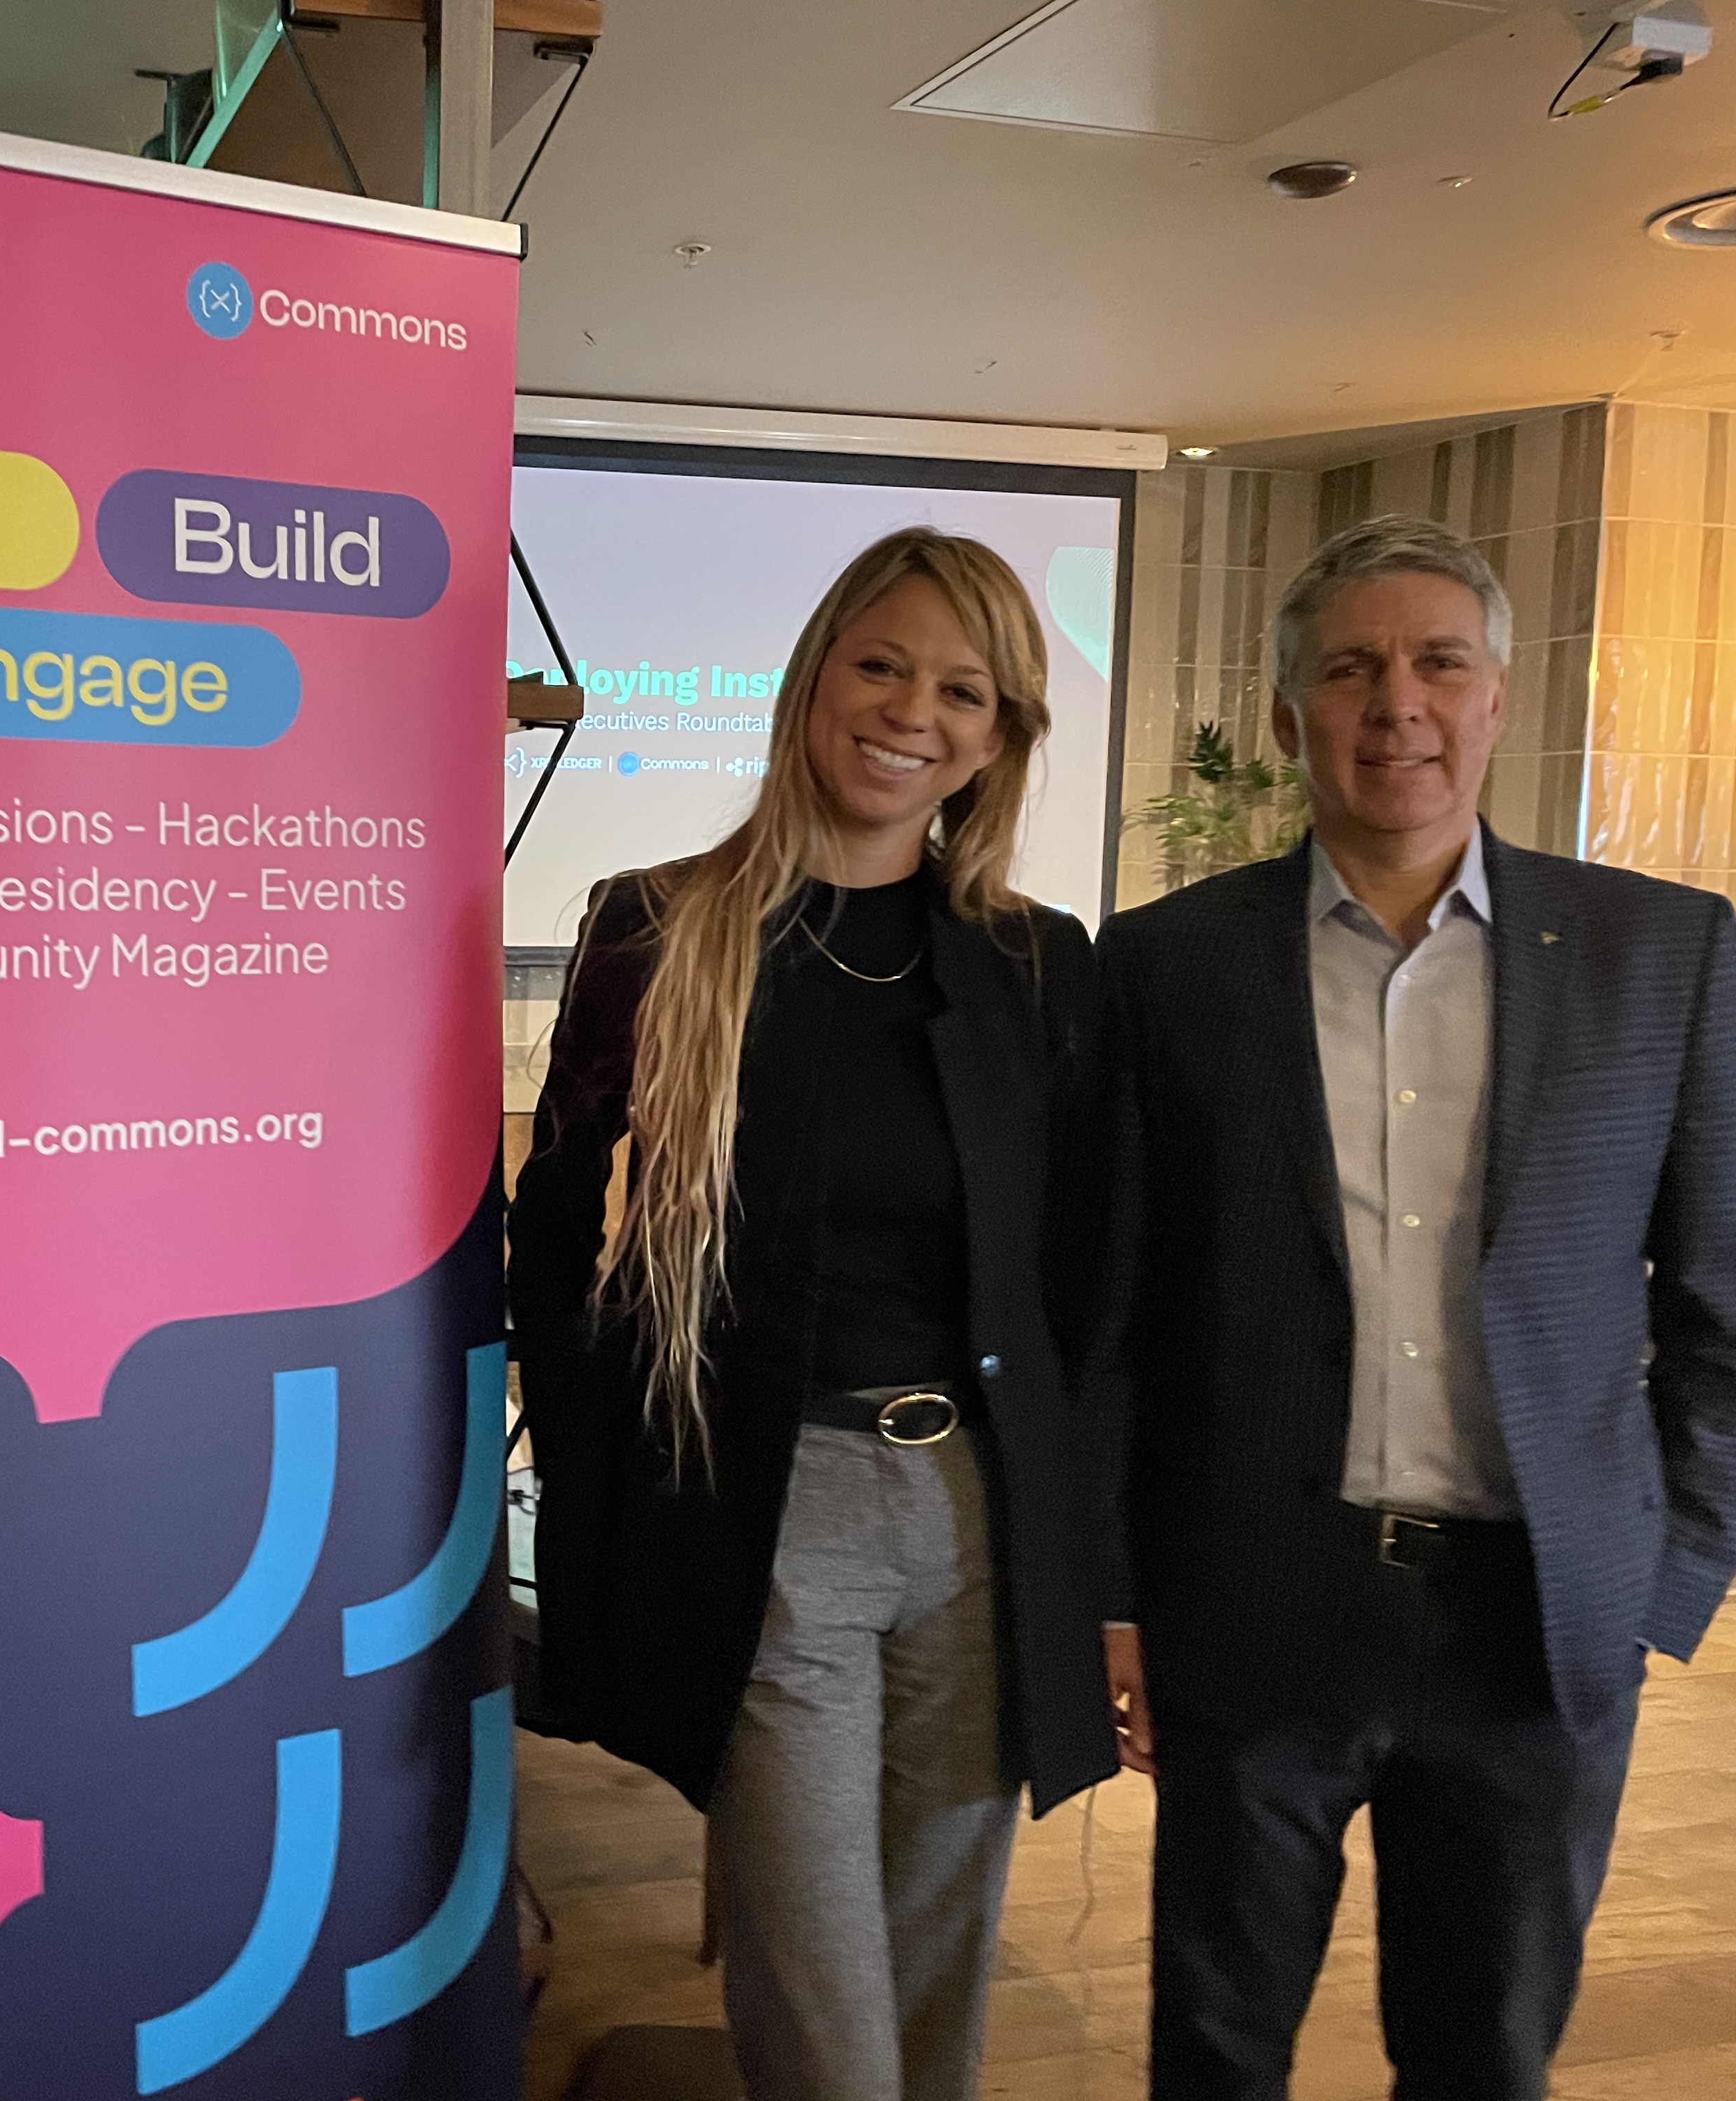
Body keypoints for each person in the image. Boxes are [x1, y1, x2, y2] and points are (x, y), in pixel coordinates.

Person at [1086, 513, 1736, 2099]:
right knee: (1215, 2050)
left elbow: (1724, 1303)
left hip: (1536, 1626)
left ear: (1497, 698)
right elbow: (1112, 1314)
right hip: (1256, 1601)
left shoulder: (1664, 953)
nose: (1399, 704)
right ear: (1291, 712)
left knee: (1484, 2059)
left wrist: (1665, 1574)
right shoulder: (1166, 964)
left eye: (1440, 662)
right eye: (1351, 669)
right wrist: (1114, 1594)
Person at [510, 529, 1117, 2101]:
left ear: (1001, 733)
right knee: (823, 1993)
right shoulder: (662, 926)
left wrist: (1099, 1559)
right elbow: (555, 1232)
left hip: (977, 1514)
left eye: (964, 690)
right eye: (883, 665)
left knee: (934, 1970)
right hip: (772, 1514)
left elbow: (1081, 1278)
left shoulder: (1037, 966)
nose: (914, 712)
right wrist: (593, 1484)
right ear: (814, 679)